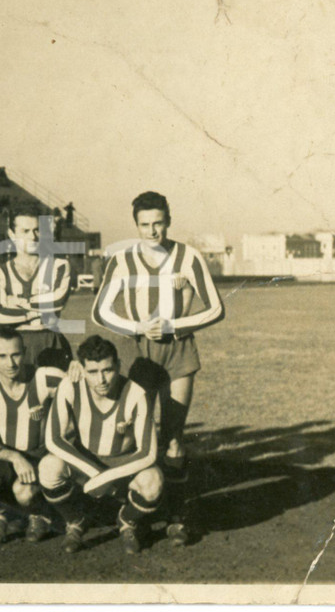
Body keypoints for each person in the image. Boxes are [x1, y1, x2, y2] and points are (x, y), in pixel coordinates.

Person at [91, 190, 224, 545]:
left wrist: (174, 326)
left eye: (159, 223)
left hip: (178, 351)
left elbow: (215, 308)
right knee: (135, 436)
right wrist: (137, 327)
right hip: (138, 354)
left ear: (169, 220)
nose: (153, 232)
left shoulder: (188, 256)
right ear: (136, 225)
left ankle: (177, 516)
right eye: (145, 225)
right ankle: (136, 514)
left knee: (174, 439)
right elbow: (99, 311)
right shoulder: (122, 259)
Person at [40, 335, 162, 555]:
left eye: (107, 370)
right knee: (48, 467)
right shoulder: (70, 385)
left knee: (153, 482)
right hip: (85, 461)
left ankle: (127, 521)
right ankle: (76, 521)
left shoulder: (135, 393)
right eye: (93, 372)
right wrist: (95, 472)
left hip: (124, 464)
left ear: (118, 366)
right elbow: (54, 439)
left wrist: (106, 477)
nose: (101, 379)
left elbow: (148, 452)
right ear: (82, 369)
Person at [0, 327, 67, 544]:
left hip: (38, 460)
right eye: (2, 356)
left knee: (24, 494)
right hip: (9, 462)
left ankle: (39, 512)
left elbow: (83, 389)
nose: (10, 363)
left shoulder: (43, 377)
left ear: (24, 352)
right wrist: (14, 457)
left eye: (15, 355)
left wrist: (76, 367)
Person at [0, 205, 73, 368]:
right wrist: (37, 311)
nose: (33, 237)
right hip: (13, 346)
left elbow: (57, 303)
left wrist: (19, 303)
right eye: (25, 231)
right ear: (12, 235)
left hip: (51, 342)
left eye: (37, 230)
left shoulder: (59, 265)